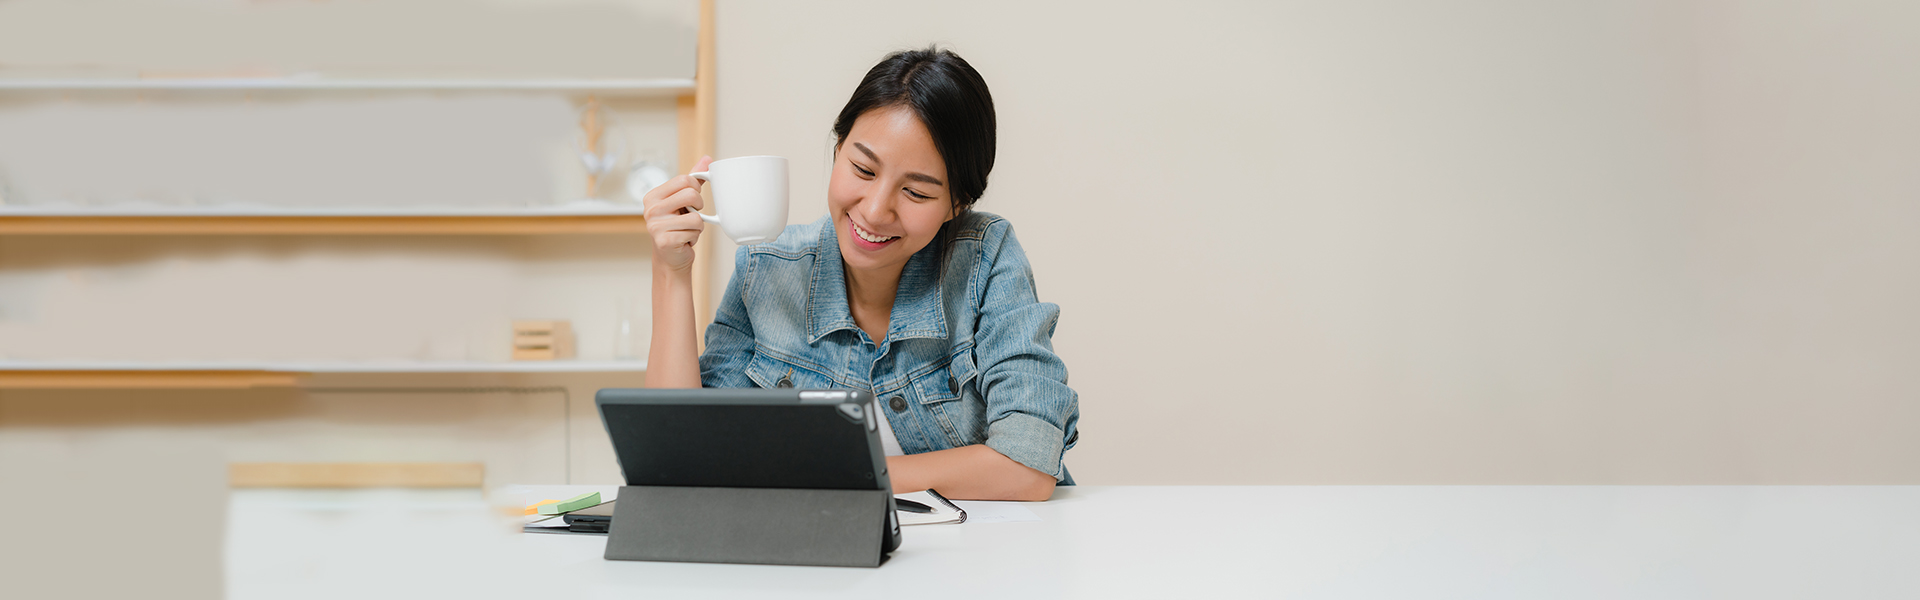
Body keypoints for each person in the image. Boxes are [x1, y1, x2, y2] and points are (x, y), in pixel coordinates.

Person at [641, 47, 1077, 501]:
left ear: (957, 204)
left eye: (915, 192)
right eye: (863, 169)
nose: (874, 210)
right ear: (837, 150)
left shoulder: (983, 258)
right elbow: (682, 459)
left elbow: (1027, 468)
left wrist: (832, 474)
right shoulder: (768, 268)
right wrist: (670, 272)